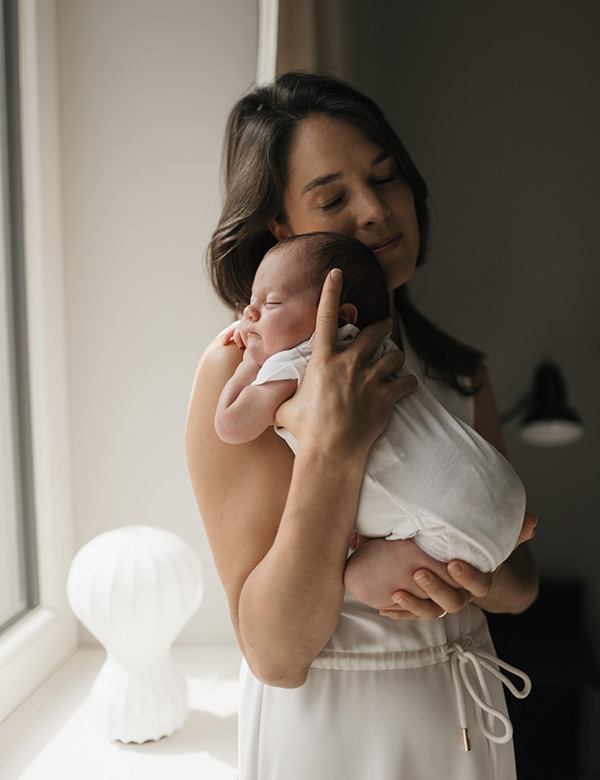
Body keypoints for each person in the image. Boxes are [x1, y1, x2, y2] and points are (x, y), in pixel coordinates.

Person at [186, 72, 538, 779]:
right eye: (333, 198)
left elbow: (521, 585)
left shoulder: (456, 367)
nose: (377, 210)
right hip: (330, 726)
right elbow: (275, 654)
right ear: (279, 228)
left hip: (463, 710)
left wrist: (465, 571)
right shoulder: (242, 377)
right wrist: (331, 450)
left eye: (386, 177)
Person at [214, 231, 527, 611]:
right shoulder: (380, 348)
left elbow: (231, 425)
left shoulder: (300, 359)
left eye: (271, 303)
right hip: (504, 490)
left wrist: (250, 363)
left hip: (458, 526)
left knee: (359, 578)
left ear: (339, 316)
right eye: (251, 303)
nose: (249, 315)